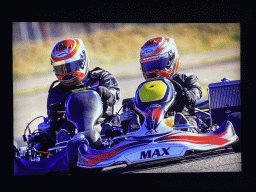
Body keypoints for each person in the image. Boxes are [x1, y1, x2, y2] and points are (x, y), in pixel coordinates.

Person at [47, 38, 121, 142]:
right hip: (73, 130)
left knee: (114, 119)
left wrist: (107, 93)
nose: (66, 73)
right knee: (62, 129)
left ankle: (112, 142)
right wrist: (58, 108)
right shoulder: (57, 90)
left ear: (82, 60)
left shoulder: (101, 77)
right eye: (61, 68)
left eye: (70, 66)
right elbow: (53, 120)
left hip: (102, 121)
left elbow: (115, 93)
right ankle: (63, 147)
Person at [139, 37, 202, 132]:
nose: (152, 71)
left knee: (185, 120)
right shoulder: (145, 87)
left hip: (182, 120)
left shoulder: (187, 78)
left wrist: (188, 95)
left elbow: (197, 92)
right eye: (149, 66)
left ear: (172, 59)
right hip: (153, 124)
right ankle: (134, 130)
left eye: (158, 64)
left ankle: (186, 130)